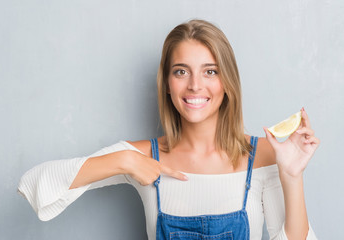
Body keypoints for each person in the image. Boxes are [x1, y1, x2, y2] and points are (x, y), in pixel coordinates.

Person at [18, 19, 319, 239]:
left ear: (226, 82)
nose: (195, 85)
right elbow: (37, 184)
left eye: (210, 71)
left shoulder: (264, 155)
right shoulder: (142, 156)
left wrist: (292, 177)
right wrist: (124, 160)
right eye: (181, 72)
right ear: (167, 85)